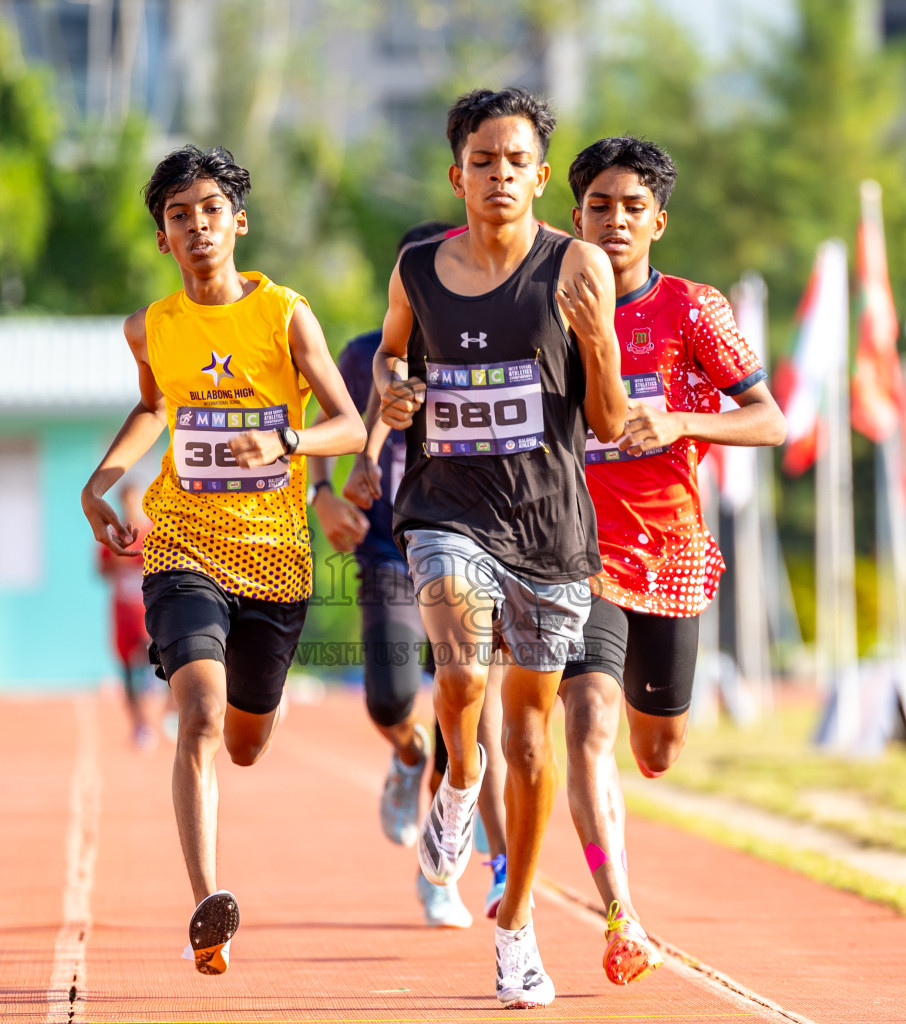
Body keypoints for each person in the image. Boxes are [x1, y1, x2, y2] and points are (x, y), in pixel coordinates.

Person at [80, 145, 365, 978]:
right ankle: (208, 904)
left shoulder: (284, 315)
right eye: (179, 216)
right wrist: (103, 480)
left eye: (210, 210)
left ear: (238, 222)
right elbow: (152, 404)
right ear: (163, 238)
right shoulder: (152, 327)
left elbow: (347, 426)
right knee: (198, 714)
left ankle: (257, 711)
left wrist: (286, 437)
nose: (197, 226)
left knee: (243, 742)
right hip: (182, 545)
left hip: (275, 559)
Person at [374, 87, 628, 1009]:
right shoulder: (417, 269)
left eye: (517, 160)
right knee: (460, 679)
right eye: (483, 159)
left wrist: (597, 341)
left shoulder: (581, 267)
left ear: (541, 174)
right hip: (446, 508)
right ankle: (455, 780)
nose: (500, 174)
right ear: (458, 173)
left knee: (531, 740)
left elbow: (603, 421)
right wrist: (395, 391)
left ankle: (515, 926)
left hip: (551, 529)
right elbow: (392, 357)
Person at [559, 135, 786, 984]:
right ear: (573, 217)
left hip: (672, 554)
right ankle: (623, 916)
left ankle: (641, 764)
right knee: (587, 728)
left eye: (631, 208)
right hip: (576, 556)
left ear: (659, 219)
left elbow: (770, 421)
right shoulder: (547, 308)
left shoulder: (693, 310)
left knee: (657, 751)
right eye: (598, 207)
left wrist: (685, 422)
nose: (615, 222)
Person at [309, 221, 510, 929]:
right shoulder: (367, 352)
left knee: (467, 714)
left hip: (472, 549)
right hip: (391, 549)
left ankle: (442, 875)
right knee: (393, 701)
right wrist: (323, 493)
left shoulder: (489, 343)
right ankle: (405, 750)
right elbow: (328, 427)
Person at [96, 485, 162, 751]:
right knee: (127, 674)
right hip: (122, 614)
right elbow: (102, 572)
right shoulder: (111, 536)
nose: (130, 506)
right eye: (126, 502)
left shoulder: (154, 534)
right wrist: (118, 560)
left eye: (135, 501)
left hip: (150, 615)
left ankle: (161, 716)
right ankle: (140, 725)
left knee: (152, 667)